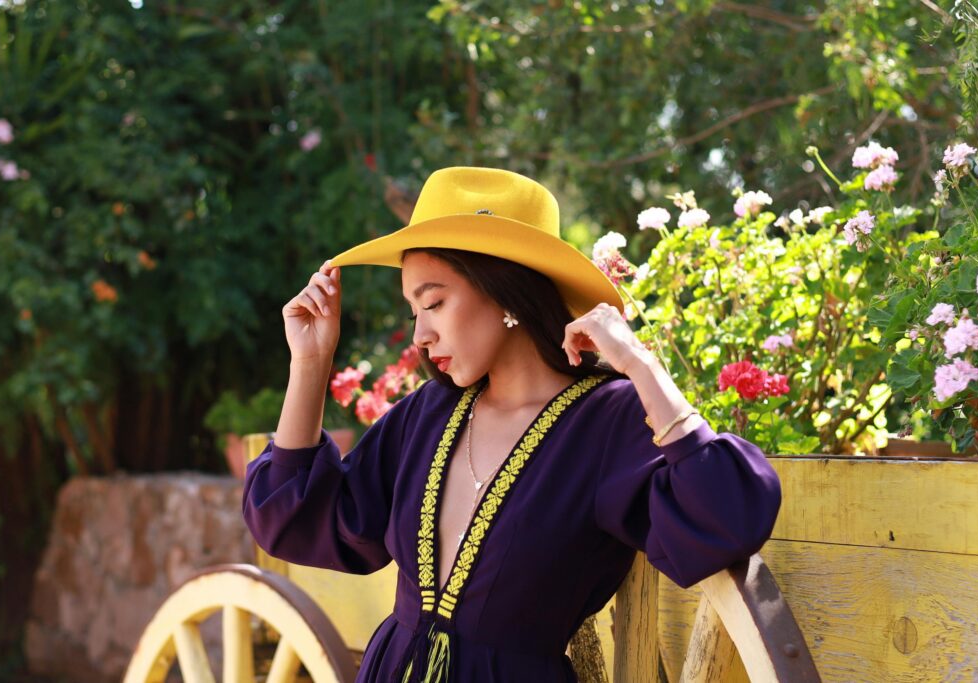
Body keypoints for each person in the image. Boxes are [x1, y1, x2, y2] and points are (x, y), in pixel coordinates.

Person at [242, 166, 782, 682]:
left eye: (433, 303)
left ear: (502, 289)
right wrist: (310, 364)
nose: (419, 337)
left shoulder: (606, 421)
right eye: (413, 312)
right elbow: (293, 520)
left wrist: (639, 363)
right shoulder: (427, 415)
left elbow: (727, 519)